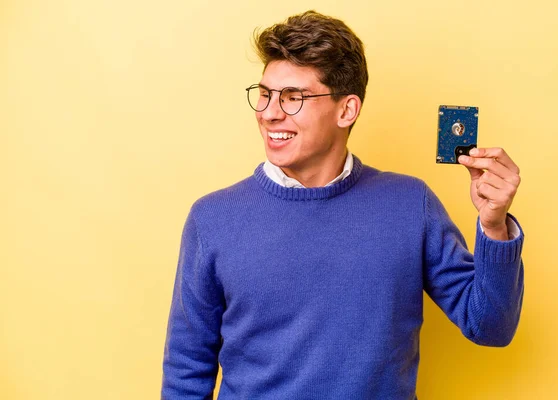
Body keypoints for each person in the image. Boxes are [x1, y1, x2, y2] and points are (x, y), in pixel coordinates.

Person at [161, 10, 524, 400]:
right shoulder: (213, 218)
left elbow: (491, 326)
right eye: (265, 94)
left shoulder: (409, 204)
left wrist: (494, 227)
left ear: (347, 109)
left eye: (293, 97)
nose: (269, 113)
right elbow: (187, 369)